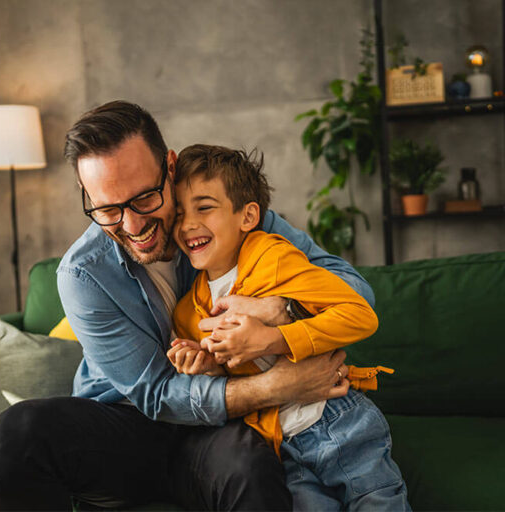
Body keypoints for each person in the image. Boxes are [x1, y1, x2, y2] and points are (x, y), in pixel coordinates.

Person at [0, 100, 375, 511]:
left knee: (251, 466)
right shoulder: (82, 275)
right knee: (17, 432)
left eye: (144, 198)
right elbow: (154, 394)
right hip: (127, 427)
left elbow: (354, 291)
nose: (133, 226)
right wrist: (275, 387)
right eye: (108, 209)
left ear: (170, 167)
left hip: (219, 431)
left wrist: (281, 312)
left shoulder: (223, 213)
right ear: (88, 197)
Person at [168, 144, 409, 510]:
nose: (187, 224)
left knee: (377, 503)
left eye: (204, 207)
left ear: (248, 216)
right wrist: (205, 364)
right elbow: (234, 381)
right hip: (280, 443)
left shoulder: (272, 257)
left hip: (336, 419)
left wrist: (275, 338)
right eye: (179, 213)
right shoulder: (188, 311)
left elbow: (359, 313)